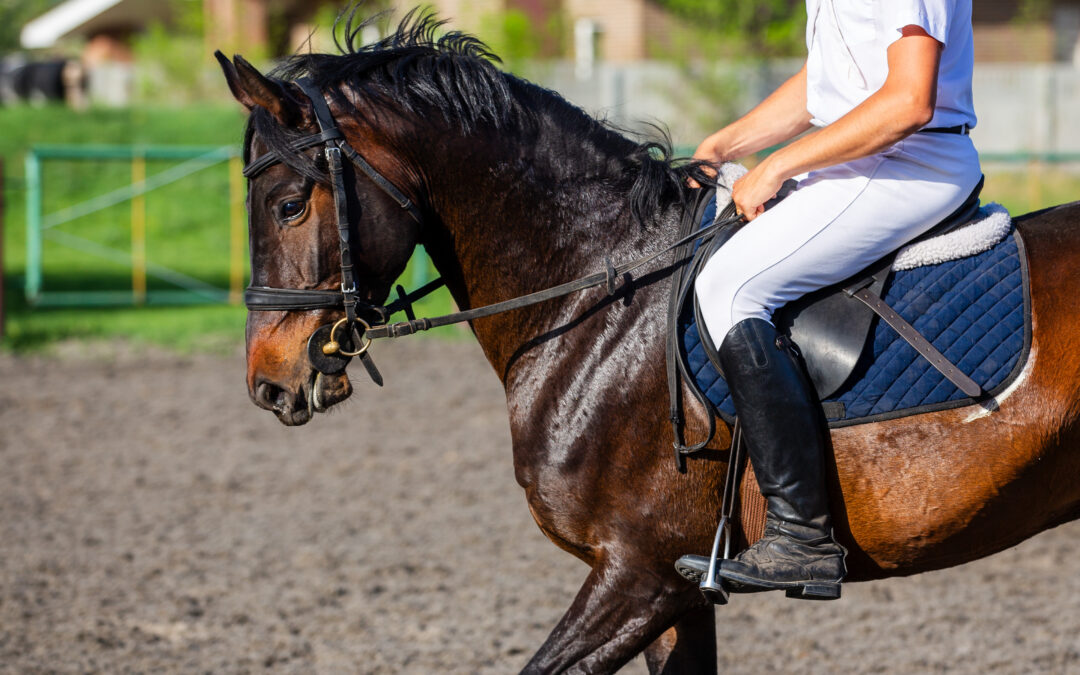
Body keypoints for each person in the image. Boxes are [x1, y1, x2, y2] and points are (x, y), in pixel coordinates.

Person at [683, 0, 981, 600]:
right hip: (861, 160)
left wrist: (777, 166)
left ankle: (801, 537)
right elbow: (828, 85)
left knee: (730, 287)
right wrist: (725, 143)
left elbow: (908, 100)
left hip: (911, 162)